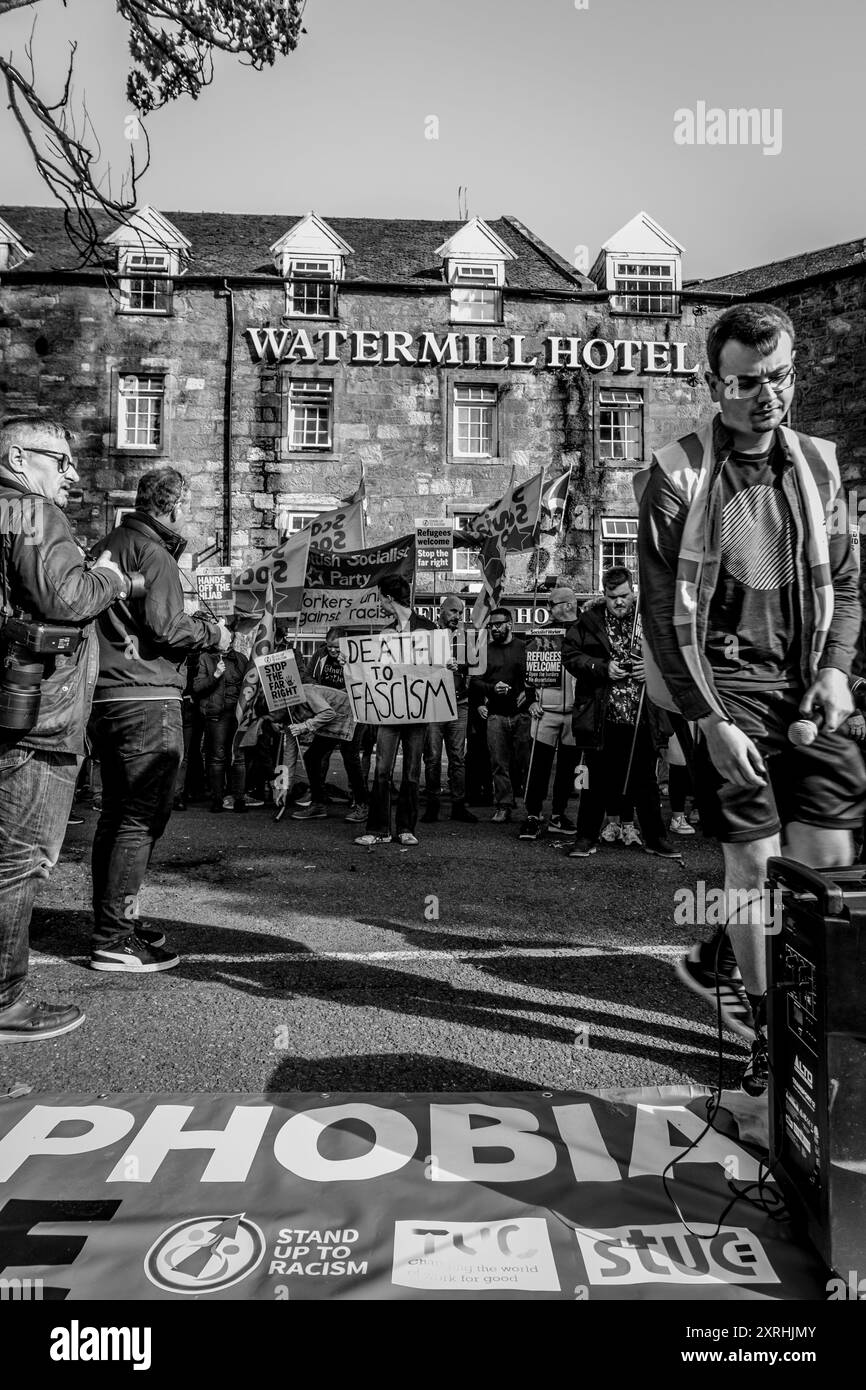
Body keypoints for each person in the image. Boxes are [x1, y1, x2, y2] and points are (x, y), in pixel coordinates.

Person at [637, 302, 866, 1095]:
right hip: (725, 692)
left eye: (782, 376)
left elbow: (847, 583)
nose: (769, 395)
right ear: (714, 382)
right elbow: (663, 612)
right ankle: (770, 1034)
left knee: (829, 868)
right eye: (749, 381)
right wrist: (708, 720)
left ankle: (800, 1012)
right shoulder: (675, 472)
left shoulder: (825, 466)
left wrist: (836, 669)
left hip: (809, 689)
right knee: (753, 866)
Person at [0, 415, 129, 1039]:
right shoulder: (28, 511)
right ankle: (5, 999)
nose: (72, 474)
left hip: (17, 706)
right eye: (61, 460)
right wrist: (107, 574)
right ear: (18, 458)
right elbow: (67, 599)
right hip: (36, 718)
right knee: (17, 860)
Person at [88, 468, 231, 972]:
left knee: (119, 815)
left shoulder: (109, 543)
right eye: (186, 505)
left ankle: (117, 922)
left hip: (106, 696)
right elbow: (169, 627)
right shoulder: (155, 552)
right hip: (145, 695)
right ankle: (114, 937)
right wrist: (214, 634)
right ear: (173, 505)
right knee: (140, 819)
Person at [562, 567, 680, 860]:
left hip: (642, 716)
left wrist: (652, 670)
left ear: (634, 590)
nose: (619, 602)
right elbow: (571, 655)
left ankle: (656, 838)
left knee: (647, 783)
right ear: (604, 594)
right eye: (613, 597)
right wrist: (603, 669)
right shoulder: (587, 622)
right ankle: (585, 837)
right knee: (593, 781)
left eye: (625, 595)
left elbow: (673, 655)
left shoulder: (649, 620)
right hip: (602, 716)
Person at [354, 572, 435, 847]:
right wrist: (351, 662)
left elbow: (435, 668)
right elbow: (376, 671)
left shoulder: (427, 628)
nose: (380, 604)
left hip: (418, 709)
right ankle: (379, 829)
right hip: (390, 711)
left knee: (412, 770)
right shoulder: (386, 632)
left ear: (389, 598)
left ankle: (405, 828)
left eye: (381, 598)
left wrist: (446, 667)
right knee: (382, 769)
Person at [520, 587, 581, 839]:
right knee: (538, 767)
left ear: (567, 605)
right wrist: (531, 700)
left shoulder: (585, 631)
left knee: (568, 769)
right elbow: (528, 669)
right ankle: (533, 815)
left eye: (552, 604)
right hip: (546, 711)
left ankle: (558, 814)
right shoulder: (542, 633)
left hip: (576, 713)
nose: (548, 608)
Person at [293, 627, 367, 822]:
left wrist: (341, 692)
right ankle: (318, 803)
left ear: (344, 644)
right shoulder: (320, 654)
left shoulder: (354, 656)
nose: (332, 651)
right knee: (312, 756)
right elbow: (307, 677)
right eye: (329, 646)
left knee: (350, 757)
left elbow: (363, 681)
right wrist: (324, 692)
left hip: (351, 712)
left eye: (336, 647)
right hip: (326, 710)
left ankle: (362, 805)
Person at [470, 607, 535, 823]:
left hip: (522, 715)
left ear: (510, 624)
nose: (494, 629)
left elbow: (536, 677)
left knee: (526, 763)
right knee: (499, 763)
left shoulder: (524, 648)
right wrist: (490, 689)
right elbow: (475, 681)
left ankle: (532, 809)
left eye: (498, 624)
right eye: (491, 625)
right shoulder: (485, 650)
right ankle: (504, 805)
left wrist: (529, 692)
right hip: (496, 716)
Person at [422, 594, 477, 824]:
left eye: (461, 612)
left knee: (457, 758)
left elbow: (476, 666)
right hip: (434, 704)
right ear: (441, 611)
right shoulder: (428, 637)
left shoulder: (467, 637)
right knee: (432, 758)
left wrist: (461, 667)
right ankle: (432, 805)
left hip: (460, 703)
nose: (458, 616)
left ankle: (458, 805)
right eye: (454, 611)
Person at [194, 632, 250, 812]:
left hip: (238, 714)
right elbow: (197, 687)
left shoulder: (241, 658)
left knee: (238, 757)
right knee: (217, 757)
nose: (226, 642)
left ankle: (239, 799)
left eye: (229, 639)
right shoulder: (205, 658)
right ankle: (217, 799)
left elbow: (250, 684)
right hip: (216, 715)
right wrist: (216, 674)